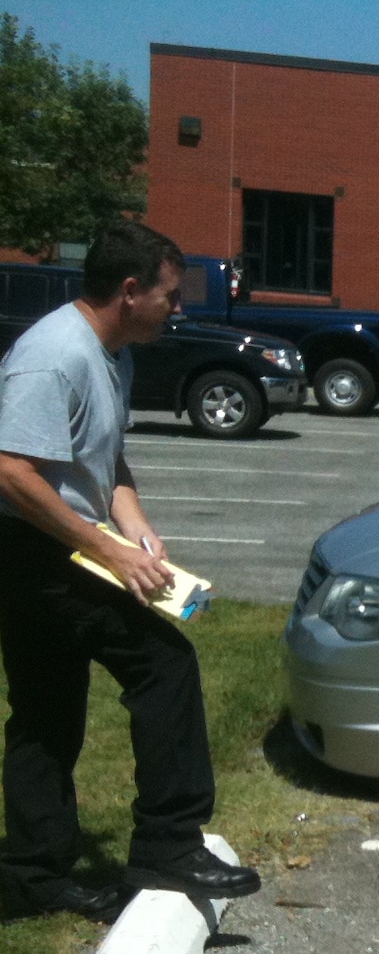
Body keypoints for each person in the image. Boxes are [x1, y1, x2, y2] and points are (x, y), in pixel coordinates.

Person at [0, 220, 260, 918]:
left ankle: (34, 873)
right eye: (170, 297)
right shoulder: (54, 356)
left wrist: (136, 526)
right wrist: (106, 548)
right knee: (163, 664)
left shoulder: (112, 352)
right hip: (34, 548)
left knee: (47, 711)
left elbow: (105, 460)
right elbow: (10, 471)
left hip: (68, 542)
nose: (179, 309)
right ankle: (169, 847)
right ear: (129, 290)